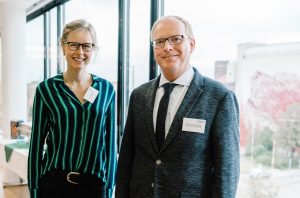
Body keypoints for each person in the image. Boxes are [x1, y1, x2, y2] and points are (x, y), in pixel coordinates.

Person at [116, 15, 240, 198]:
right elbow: (127, 159)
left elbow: (227, 172)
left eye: (176, 39)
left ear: (191, 44)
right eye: (159, 41)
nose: (167, 47)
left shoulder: (220, 97)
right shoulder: (139, 96)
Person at [28, 19, 117, 198]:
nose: (80, 52)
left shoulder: (106, 89)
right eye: (74, 45)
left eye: (86, 46)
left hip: (94, 184)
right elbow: (36, 144)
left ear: (93, 49)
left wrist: (109, 188)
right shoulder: (46, 89)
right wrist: (34, 189)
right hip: (54, 183)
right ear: (63, 46)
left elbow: (110, 145)